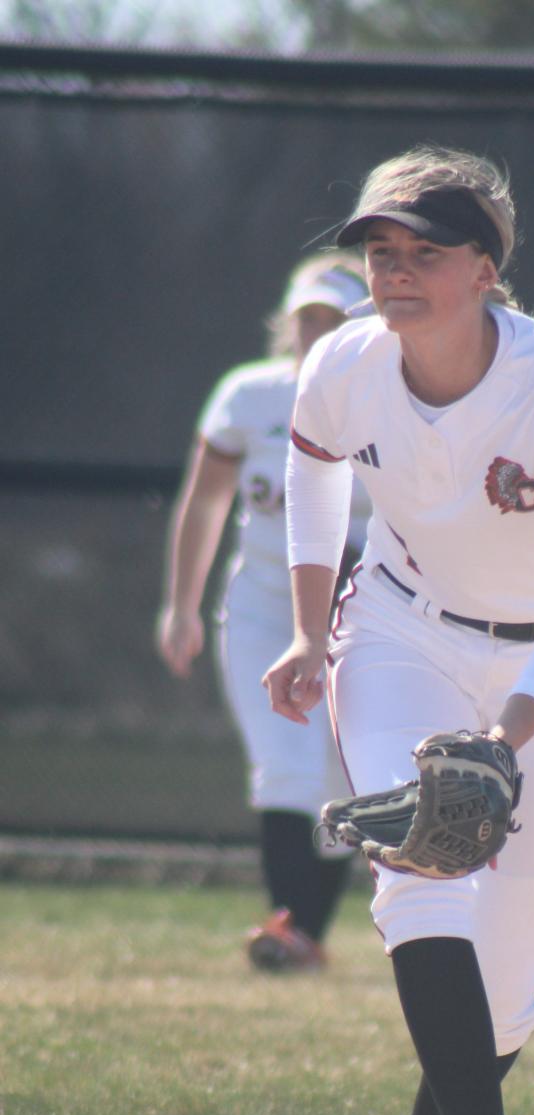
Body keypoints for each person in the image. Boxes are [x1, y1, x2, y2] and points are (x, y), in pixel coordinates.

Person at [263, 146, 534, 1115]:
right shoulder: (345, 366)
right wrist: (306, 629)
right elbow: (315, 472)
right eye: (381, 249)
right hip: (400, 632)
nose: (397, 270)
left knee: (509, 980)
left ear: (485, 267)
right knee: (418, 866)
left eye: (427, 251)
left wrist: (507, 736)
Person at [157, 251, 371, 973]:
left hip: (358, 614)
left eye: (333, 318)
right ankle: (291, 930)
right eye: (307, 316)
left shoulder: (391, 397)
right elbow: (205, 499)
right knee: (283, 769)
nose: (317, 331)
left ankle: (305, 932)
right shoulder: (248, 395)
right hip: (261, 608)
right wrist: (181, 604)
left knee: (344, 780)